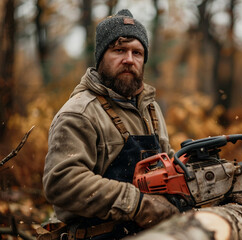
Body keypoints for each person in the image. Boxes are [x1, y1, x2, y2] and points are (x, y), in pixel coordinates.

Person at [42, 9, 179, 239]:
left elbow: (166, 162)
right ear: (100, 57)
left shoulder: (150, 108)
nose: (129, 59)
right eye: (119, 50)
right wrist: (137, 204)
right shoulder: (80, 112)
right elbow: (61, 181)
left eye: (137, 52)